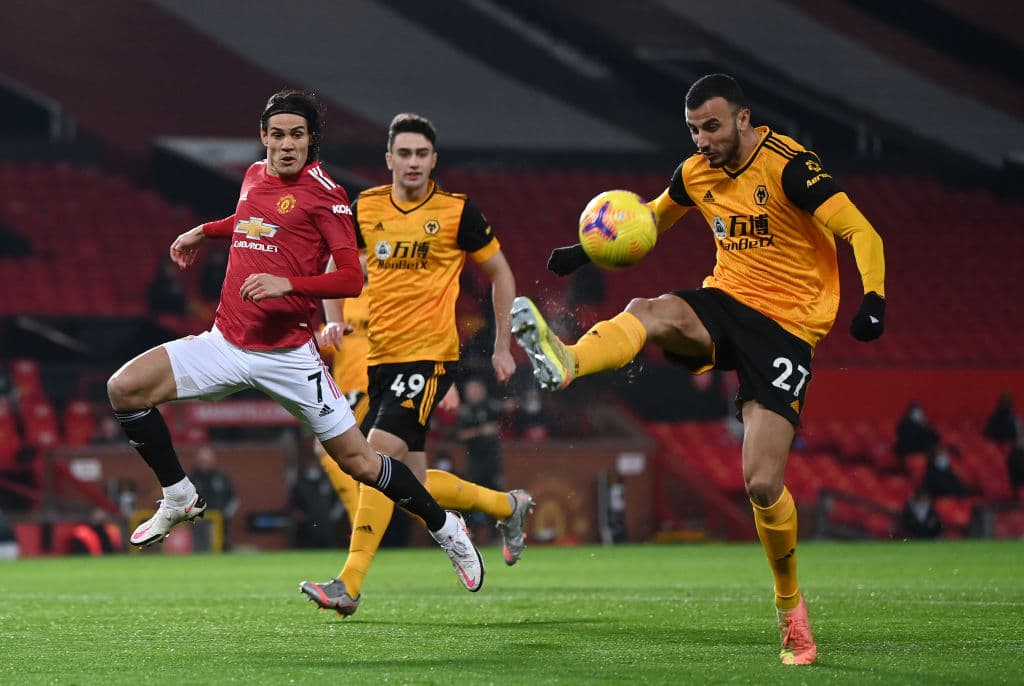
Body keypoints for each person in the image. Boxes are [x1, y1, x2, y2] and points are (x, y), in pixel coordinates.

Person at [511, 74, 888, 666]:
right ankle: (567, 362)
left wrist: (874, 298)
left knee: (762, 484)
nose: (701, 139)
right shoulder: (694, 173)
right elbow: (651, 221)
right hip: (726, 304)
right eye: (692, 129)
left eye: (711, 126)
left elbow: (859, 230)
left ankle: (791, 611)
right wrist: (585, 249)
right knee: (647, 310)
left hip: (788, 327)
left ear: (743, 118)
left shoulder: (790, 166)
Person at [105, 89, 484, 593]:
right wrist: (205, 231)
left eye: (297, 136)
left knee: (362, 463)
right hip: (226, 344)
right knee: (124, 389)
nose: (287, 145)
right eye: (278, 135)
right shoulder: (253, 175)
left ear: (311, 141)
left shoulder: (325, 195)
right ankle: (179, 495)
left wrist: (290, 284)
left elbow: (351, 278)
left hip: (288, 357)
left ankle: (446, 528)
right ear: (264, 136)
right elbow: (254, 221)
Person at [300, 113, 534, 617]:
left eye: (421, 154)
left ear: (433, 160)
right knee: (410, 483)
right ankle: (507, 506)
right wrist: (334, 321)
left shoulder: (457, 212)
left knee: (371, 456)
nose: (412, 162)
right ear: (388, 160)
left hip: (429, 357)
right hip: (381, 362)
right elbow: (334, 265)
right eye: (403, 154)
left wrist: (500, 345)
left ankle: (350, 582)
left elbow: (501, 274)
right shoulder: (367, 207)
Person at [454, 376, 509, 541]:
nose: (474, 393)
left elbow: (506, 408)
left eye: (476, 389)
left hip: (493, 461)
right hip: (475, 462)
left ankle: (496, 535)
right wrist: (481, 431)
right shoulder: (465, 412)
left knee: (496, 496)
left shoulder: (490, 406)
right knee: (471, 499)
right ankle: (471, 533)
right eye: (471, 390)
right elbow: (460, 435)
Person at [189, 445, 239, 552]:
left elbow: (233, 499)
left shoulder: (222, 477)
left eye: (207, 460)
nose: (205, 463)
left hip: (219, 521)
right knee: (200, 549)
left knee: (221, 548)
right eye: (202, 460)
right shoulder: (191, 478)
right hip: (199, 522)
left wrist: (226, 515)